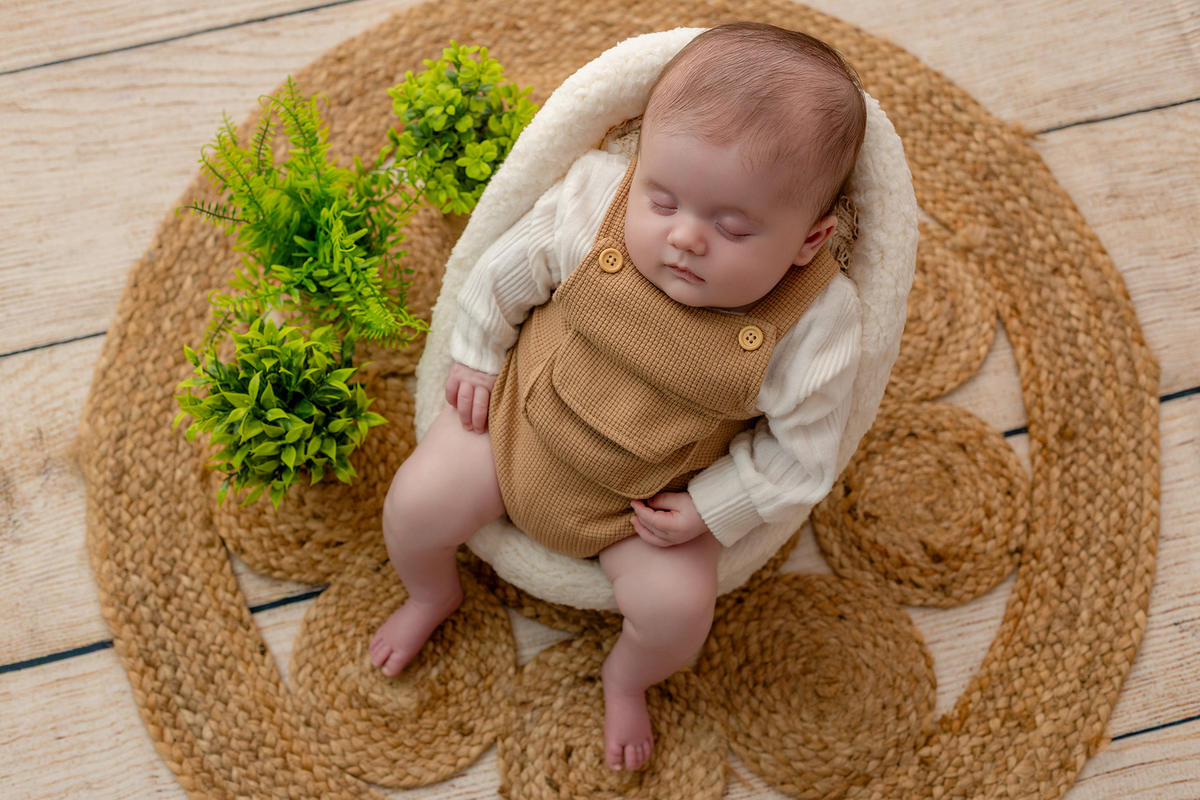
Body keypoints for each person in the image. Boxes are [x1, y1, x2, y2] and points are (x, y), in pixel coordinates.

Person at [369, 21, 867, 773]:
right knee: (413, 505)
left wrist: (711, 508)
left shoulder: (814, 325)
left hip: (645, 507)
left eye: (732, 226)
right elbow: (504, 266)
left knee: (677, 616)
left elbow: (803, 451)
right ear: (639, 165)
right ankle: (431, 593)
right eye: (662, 199)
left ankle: (626, 677)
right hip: (516, 424)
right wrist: (475, 352)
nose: (686, 238)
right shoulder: (596, 201)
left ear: (808, 240)